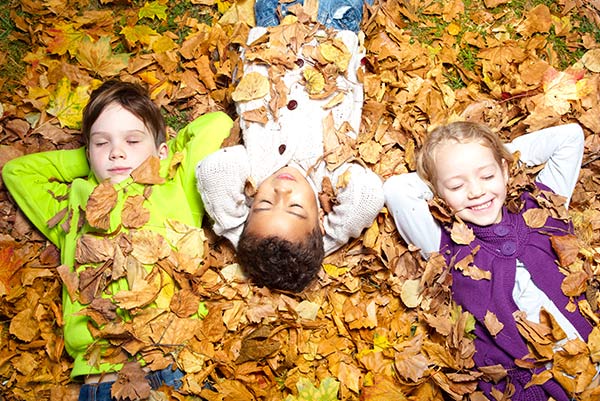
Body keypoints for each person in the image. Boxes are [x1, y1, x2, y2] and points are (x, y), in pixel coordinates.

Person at [2, 80, 233, 400]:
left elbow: (217, 124)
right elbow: (17, 172)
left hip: (176, 363)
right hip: (105, 378)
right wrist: (90, 163)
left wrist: (160, 158)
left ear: (161, 151)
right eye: (102, 143)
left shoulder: (175, 186)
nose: (117, 151)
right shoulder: (73, 208)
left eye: (132, 140)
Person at [383, 121, 593, 400]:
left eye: (487, 176)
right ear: (437, 194)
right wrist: (441, 176)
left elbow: (570, 137)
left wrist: (498, 155)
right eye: (457, 185)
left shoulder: (541, 208)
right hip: (527, 386)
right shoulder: (445, 246)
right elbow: (397, 190)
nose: (476, 191)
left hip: (592, 346)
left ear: (505, 171)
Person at [196, 0, 383, 292]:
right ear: (320, 218)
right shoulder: (329, 177)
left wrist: (236, 232)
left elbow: (214, 171)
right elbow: (368, 196)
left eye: (265, 205)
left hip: (274, 30)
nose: (281, 191)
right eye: (295, 207)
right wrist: (326, 241)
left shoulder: (254, 168)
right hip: (333, 27)